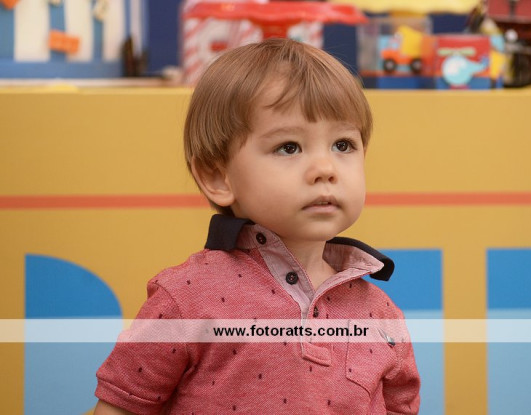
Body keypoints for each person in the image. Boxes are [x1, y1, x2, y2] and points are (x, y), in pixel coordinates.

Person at [94, 38, 420, 414]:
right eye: (289, 147)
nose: (325, 169)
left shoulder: (381, 314)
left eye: (343, 145)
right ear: (217, 177)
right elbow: (119, 407)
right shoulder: (187, 297)